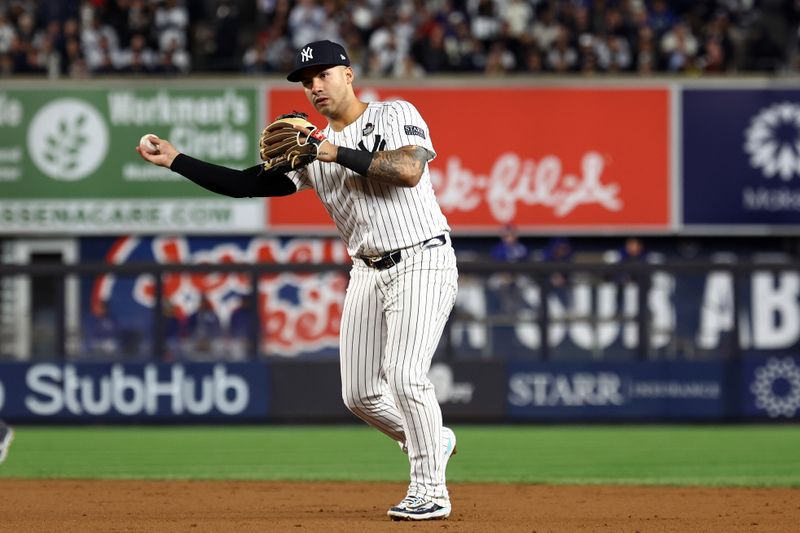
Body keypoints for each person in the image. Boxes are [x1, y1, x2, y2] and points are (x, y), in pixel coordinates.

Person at [136, 39, 459, 521]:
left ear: (348, 75)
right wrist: (177, 160)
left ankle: (431, 489)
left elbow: (409, 170)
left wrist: (329, 150)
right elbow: (246, 184)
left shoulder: (393, 113)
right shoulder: (306, 151)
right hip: (367, 269)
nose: (314, 86)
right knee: (361, 395)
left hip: (422, 258)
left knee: (405, 375)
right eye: (306, 81)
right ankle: (433, 438)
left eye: (323, 74)